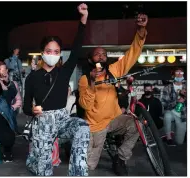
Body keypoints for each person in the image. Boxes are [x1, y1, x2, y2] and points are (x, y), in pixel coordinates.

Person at [23, 4, 89, 176]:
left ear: (60, 54)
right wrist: (32, 110)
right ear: (42, 52)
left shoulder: (64, 72)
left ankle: (77, 172)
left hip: (62, 118)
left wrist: (83, 19)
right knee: (43, 170)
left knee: (82, 127)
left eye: (56, 51)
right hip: (43, 122)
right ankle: (34, 161)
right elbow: (24, 107)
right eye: (48, 51)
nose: (52, 54)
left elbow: (77, 48)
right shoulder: (32, 77)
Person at [78, 14, 148, 175]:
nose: (101, 56)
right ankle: (74, 145)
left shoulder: (114, 71)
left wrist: (141, 30)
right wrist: (92, 83)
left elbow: (132, 54)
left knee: (137, 125)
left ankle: (120, 158)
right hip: (95, 125)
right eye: (97, 54)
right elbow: (85, 105)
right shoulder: (84, 79)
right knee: (89, 166)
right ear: (90, 60)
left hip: (115, 119)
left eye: (103, 54)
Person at [161, 68, 187, 146]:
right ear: (173, 75)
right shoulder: (167, 87)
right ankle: (168, 137)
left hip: (182, 114)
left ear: (183, 75)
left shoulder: (187, 87)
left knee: (179, 142)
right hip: (171, 111)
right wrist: (177, 101)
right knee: (167, 116)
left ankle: (175, 133)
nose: (179, 74)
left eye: (181, 73)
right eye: (177, 73)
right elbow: (164, 103)